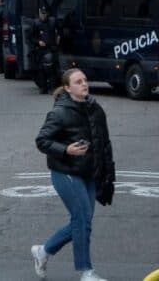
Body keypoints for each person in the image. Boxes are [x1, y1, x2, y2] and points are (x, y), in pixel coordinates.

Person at [32, 68, 115, 281]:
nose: (84, 84)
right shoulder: (60, 112)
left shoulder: (96, 109)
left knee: (83, 221)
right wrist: (66, 150)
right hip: (65, 171)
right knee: (81, 220)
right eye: (78, 82)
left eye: (85, 80)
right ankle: (85, 271)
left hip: (88, 173)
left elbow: (104, 144)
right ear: (68, 88)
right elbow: (42, 141)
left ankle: (44, 251)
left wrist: (107, 176)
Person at [32, 6, 58, 94]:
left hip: (50, 48)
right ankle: (43, 87)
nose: (43, 16)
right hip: (40, 49)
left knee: (50, 68)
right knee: (41, 69)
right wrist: (38, 42)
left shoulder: (52, 22)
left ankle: (52, 87)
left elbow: (59, 30)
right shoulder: (36, 23)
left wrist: (58, 37)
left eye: (45, 14)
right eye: (42, 14)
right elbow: (31, 37)